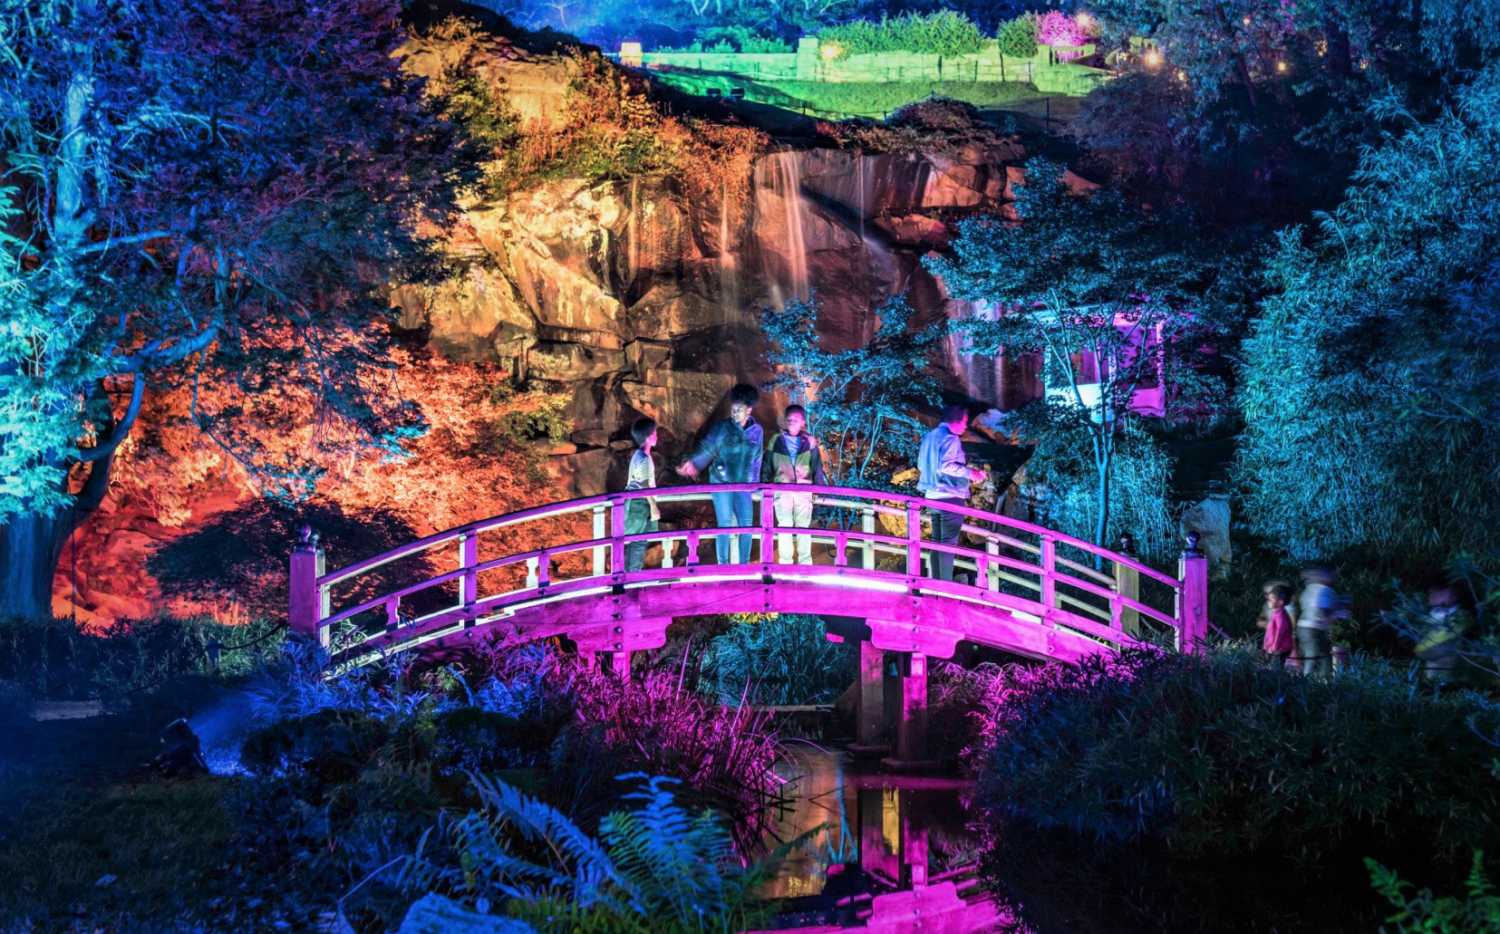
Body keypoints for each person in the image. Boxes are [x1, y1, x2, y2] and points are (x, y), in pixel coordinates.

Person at [678, 384, 764, 564]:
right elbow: (708, 447)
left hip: (743, 484)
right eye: (732, 410)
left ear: (749, 410)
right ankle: (723, 564)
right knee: (724, 523)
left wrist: (754, 484)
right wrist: (693, 463)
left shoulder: (757, 431)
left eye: (738, 410)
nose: (734, 413)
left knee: (746, 524)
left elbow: (757, 459)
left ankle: (744, 565)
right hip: (722, 481)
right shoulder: (722, 427)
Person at [916, 403, 985, 581]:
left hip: (931, 496)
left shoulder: (930, 436)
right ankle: (945, 585)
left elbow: (921, 465)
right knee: (947, 544)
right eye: (964, 421)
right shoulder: (951, 439)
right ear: (954, 420)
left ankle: (937, 582)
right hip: (949, 497)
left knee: (937, 542)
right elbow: (947, 466)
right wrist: (972, 473)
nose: (965, 426)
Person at [765, 404, 826, 565]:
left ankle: (805, 564)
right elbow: (767, 464)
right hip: (782, 488)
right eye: (789, 419)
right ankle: (785, 563)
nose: (792, 422)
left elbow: (816, 465)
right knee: (784, 526)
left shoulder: (810, 441)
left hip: (804, 488)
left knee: (803, 527)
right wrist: (764, 485)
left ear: (802, 422)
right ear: (785, 421)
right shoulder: (776, 440)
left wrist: (819, 488)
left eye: (796, 420)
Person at [623, 417, 660, 572]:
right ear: (648, 437)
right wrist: (653, 507)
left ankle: (627, 580)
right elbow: (645, 486)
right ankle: (632, 581)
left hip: (634, 503)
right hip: (640, 505)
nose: (657, 436)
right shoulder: (644, 458)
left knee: (634, 545)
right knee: (637, 545)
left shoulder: (638, 455)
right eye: (655, 433)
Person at [1416, 586, 1471, 685]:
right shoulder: (1433, 614)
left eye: (1437, 593)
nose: (1431, 597)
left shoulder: (1459, 617)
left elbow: (1438, 648)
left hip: (1453, 676)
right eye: (1431, 594)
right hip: (1433, 675)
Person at [1296, 565, 1339, 676]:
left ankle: (1319, 681)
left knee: (1316, 655)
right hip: (1315, 628)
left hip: (1303, 627)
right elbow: (1323, 610)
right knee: (1315, 656)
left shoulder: (1309, 589)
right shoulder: (1325, 590)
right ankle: (1310, 683)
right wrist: (1337, 615)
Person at [1259, 581, 1295, 669]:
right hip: (1274, 648)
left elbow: (1280, 631)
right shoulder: (1276, 613)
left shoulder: (1280, 614)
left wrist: (1275, 646)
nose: (1268, 601)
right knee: (1271, 667)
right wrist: (1266, 645)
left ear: (1280, 602)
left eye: (1272, 598)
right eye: (1268, 598)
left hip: (1280, 648)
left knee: (1276, 669)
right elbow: (1271, 631)